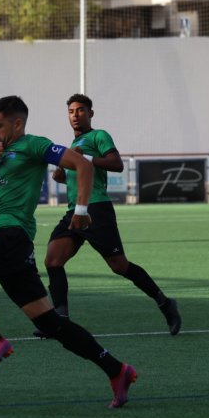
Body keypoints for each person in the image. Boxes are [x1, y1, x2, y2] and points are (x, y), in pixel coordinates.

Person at [0, 95, 137, 409]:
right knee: (51, 324)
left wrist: (81, 210)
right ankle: (117, 370)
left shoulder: (34, 145)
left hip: (13, 236)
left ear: (17, 123)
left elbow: (82, 165)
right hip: (9, 245)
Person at [36, 94, 181, 337]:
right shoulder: (74, 144)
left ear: (90, 113)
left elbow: (116, 164)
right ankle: (60, 320)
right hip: (74, 210)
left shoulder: (99, 136)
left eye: (81, 110)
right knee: (52, 261)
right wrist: (62, 171)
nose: (75, 115)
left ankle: (165, 303)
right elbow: (69, 176)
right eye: (71, 111)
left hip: (96, 209)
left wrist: (85, 158)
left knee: (119, 266)